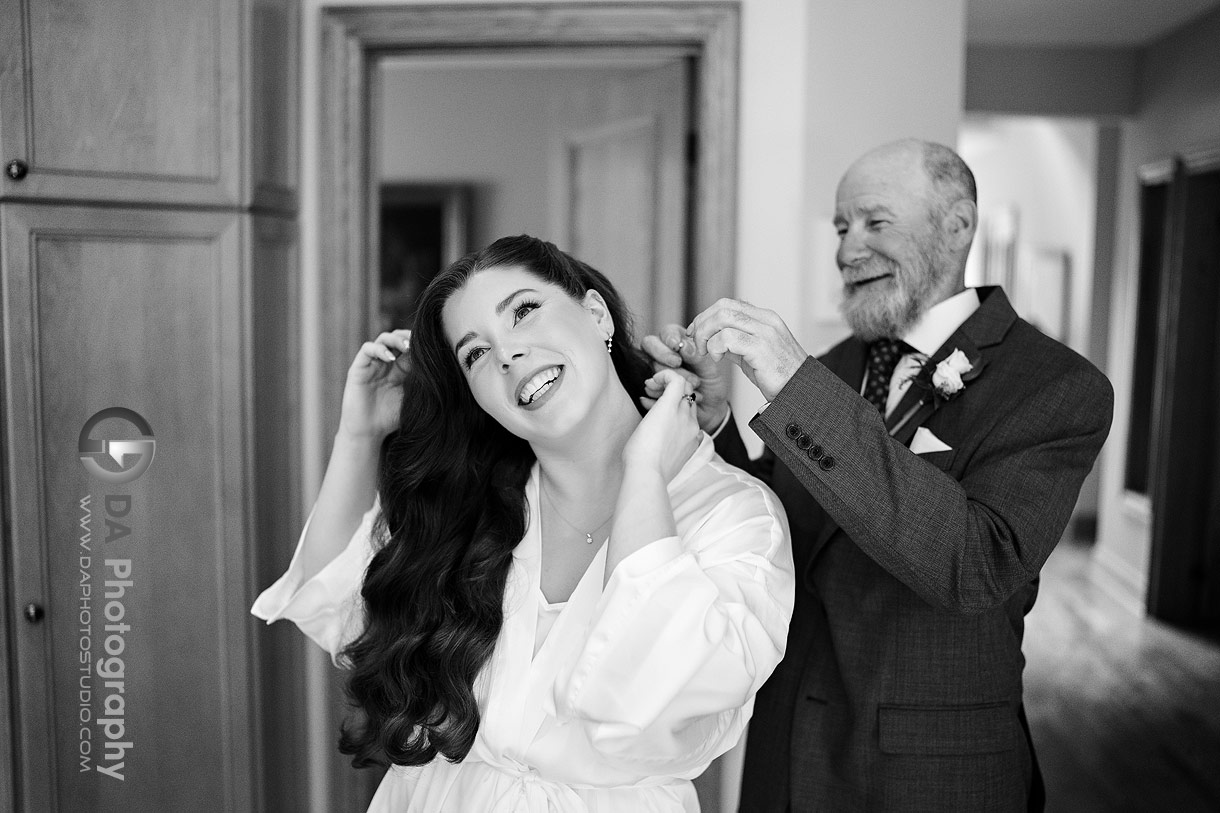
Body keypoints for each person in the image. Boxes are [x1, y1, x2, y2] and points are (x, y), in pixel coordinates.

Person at [643, 139, 1114, 811]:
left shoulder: (1057, 386)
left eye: (873, 221)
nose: (846, 248)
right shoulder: (831, 366)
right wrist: (709, 425)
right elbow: (774, 530)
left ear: (957, 227)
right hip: (787, 748)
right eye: (840, 227)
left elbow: (973, 562)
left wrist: (794, 386)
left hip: (930, 773)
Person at [252, 235, 794, 812]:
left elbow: (643, 698)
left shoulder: (736, 515)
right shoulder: (470, 506)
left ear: (595, 313)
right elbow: (337, 606)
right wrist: (359, 433)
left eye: (524, 311)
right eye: (475, 353)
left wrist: (644, 471)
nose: (507, 354)